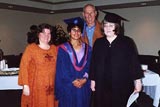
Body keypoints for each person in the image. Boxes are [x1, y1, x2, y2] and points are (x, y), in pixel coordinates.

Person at [89, 11, 144, 107]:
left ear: (116, 26)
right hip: (102, 84)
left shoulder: (127, 42)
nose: (108, 28)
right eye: (105, 25)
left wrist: (138, 82)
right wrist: (93, 81)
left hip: (121, 84)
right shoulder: (99, 43)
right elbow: (93, 63)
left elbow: (134, 63)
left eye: (111, 25)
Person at [55, 17, 92, 107]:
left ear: (81, 32)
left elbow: (90, 66)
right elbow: (62, 68)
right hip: (68, 85)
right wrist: (72, 80)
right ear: (69, 32)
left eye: (78, 30)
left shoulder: (88, 48)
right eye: (73, 30)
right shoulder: (62, 49)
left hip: (83, 85)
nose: (76, 32)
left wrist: (85, 79)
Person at [18, 23, 58, 107]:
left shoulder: (54, 49)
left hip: (52, 85)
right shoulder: (31, 48)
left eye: (48, 33)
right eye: (44, 33)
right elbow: (24, 66)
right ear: (38, 34)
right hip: (36, 86)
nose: (46, 36)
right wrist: (25, 85)